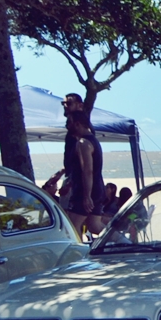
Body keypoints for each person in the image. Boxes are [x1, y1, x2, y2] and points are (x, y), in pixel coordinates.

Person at [60, 92, 105, 236]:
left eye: (69, 124)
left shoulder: (83, 142)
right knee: (94, 226)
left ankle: (79, 252)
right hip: (96, 187)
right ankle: (123, 242)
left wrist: (86, 195)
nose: (67, 127)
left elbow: (87, 170)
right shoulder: (92, 139)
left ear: (78, 124)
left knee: (73, 225)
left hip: (86, 188)